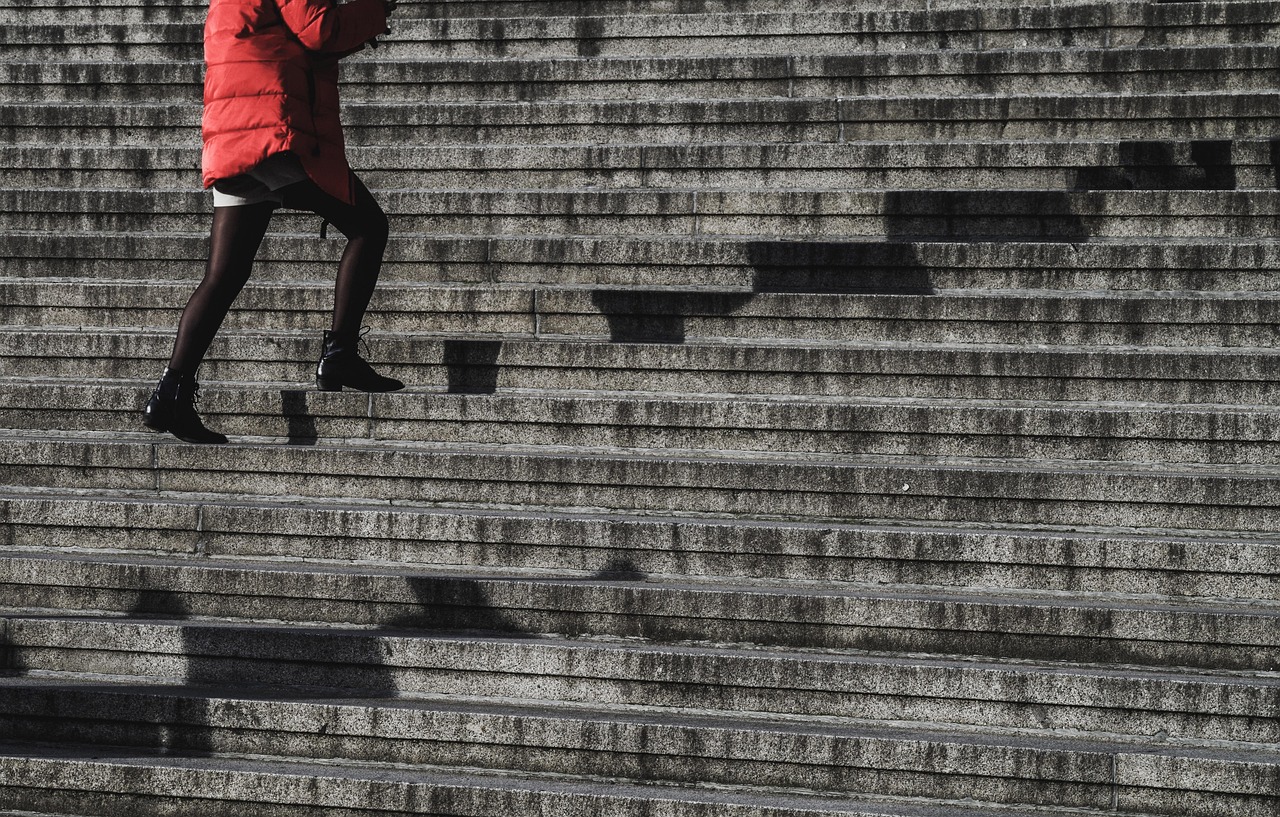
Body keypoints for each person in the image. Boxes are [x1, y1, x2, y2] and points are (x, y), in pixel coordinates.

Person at [143, 0, 403, 445]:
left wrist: (351, 32)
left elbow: (281, 40)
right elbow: (318, 27)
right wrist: (373, 11)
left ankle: (171, 395)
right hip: (269, 132)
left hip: (235, 131)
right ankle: (339, 353)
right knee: (367, 227)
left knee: (224, 274)